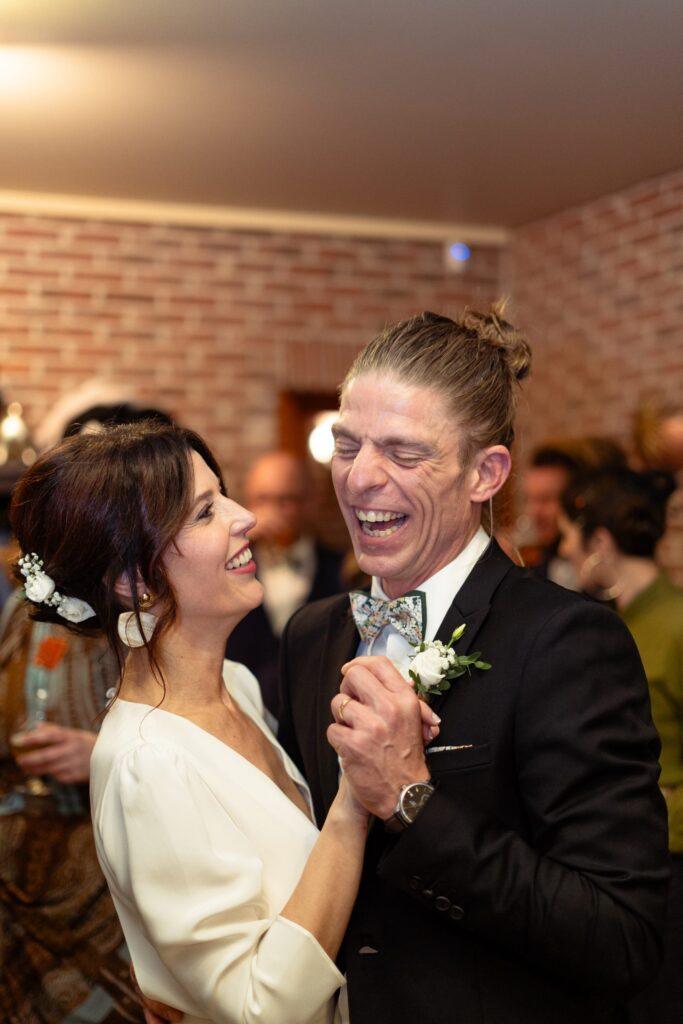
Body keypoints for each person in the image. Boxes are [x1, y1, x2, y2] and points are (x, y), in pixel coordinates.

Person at [276, 308, 669, 1024]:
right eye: (346, 444)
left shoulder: (564, 642)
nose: (359, 478)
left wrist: (412, 802)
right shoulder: (311, 634)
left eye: (402, 452)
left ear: (484, 473)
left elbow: (620, 937)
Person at [9, 422, 437, 1024]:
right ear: (135, 578)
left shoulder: (235, 683)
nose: (246, 518)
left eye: (224, 495)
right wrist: (355, 799)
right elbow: (258, 1007)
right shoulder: (146, 762)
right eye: (206, 512)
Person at [0, 402, 171, 1024]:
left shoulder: (158, 607)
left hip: (108, 877)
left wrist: (95, 753)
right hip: (23, 870)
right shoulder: (28, 606)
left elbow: (191, 738)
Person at [559, 468, 683, 1024]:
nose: (563, 549)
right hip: (626, 855)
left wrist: (664, 799)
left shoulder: (674, 622)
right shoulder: (613, 622)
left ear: (600, 545)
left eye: (571, 536)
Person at [227, 451, 343, 720]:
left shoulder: (341, 570)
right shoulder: (224, 570)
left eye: (286, 500)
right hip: (243, 713)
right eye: (262, 500)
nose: (273, 511)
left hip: (317, 717)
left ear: (310, 502)